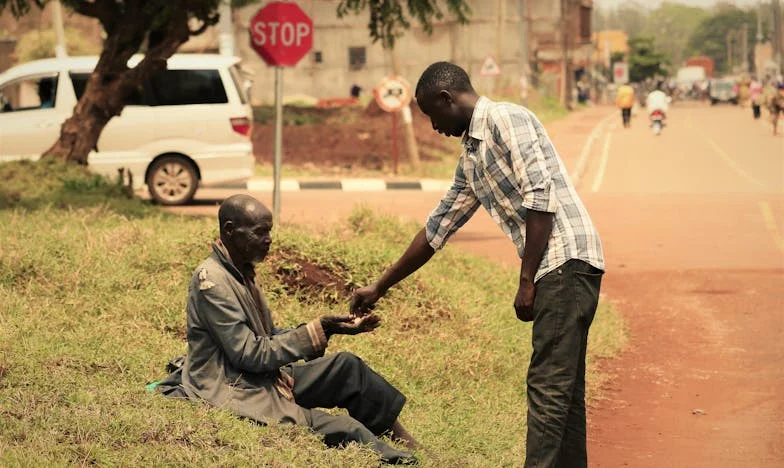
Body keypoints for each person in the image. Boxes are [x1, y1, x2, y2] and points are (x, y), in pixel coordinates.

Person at [350, 62, 604, 468]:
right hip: (559, 265)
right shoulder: (471, 157)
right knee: (565, 391)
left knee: (548, 388)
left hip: (566, 261)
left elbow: (540, 197)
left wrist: (527, 281)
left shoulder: (507, 118)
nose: (434, 128)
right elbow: (437, 229)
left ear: (447, 99)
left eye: (433, 116)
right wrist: (380, 286)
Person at [155, 194, 418, 465]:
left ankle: (405, 442)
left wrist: (328, 329)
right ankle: (400, 458)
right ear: (230, 231)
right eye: (260, 232)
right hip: (232, 386)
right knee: (344, 428)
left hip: (259, 376)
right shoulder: (212, 282)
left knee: (348, 368)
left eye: (269, 231)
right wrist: (313, 331)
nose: (268, 239)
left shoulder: (240, 271)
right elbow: (249, 355)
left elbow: (267, 338)